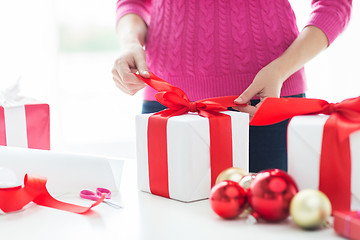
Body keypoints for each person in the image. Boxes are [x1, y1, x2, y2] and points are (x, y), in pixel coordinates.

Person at [112, 0, 352, 172]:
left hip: (267, 97)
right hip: (168, 99)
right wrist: (129, 43)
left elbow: (335, 4)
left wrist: (281, 69)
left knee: (268, 223)